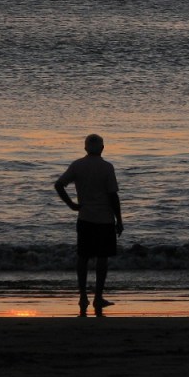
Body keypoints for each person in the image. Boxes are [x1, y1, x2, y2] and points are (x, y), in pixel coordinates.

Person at [54, 134, 123, 317]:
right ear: (102, 148)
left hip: (85, 218)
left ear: (85, 148)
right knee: (102, 258)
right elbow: (113, 196)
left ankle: (83, 296)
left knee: (83, 257)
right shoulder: (107, 167)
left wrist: (72, 205)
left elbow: (59, 185)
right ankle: (98, 296)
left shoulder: (77, 165)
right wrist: (119, 220)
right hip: (105, 219)